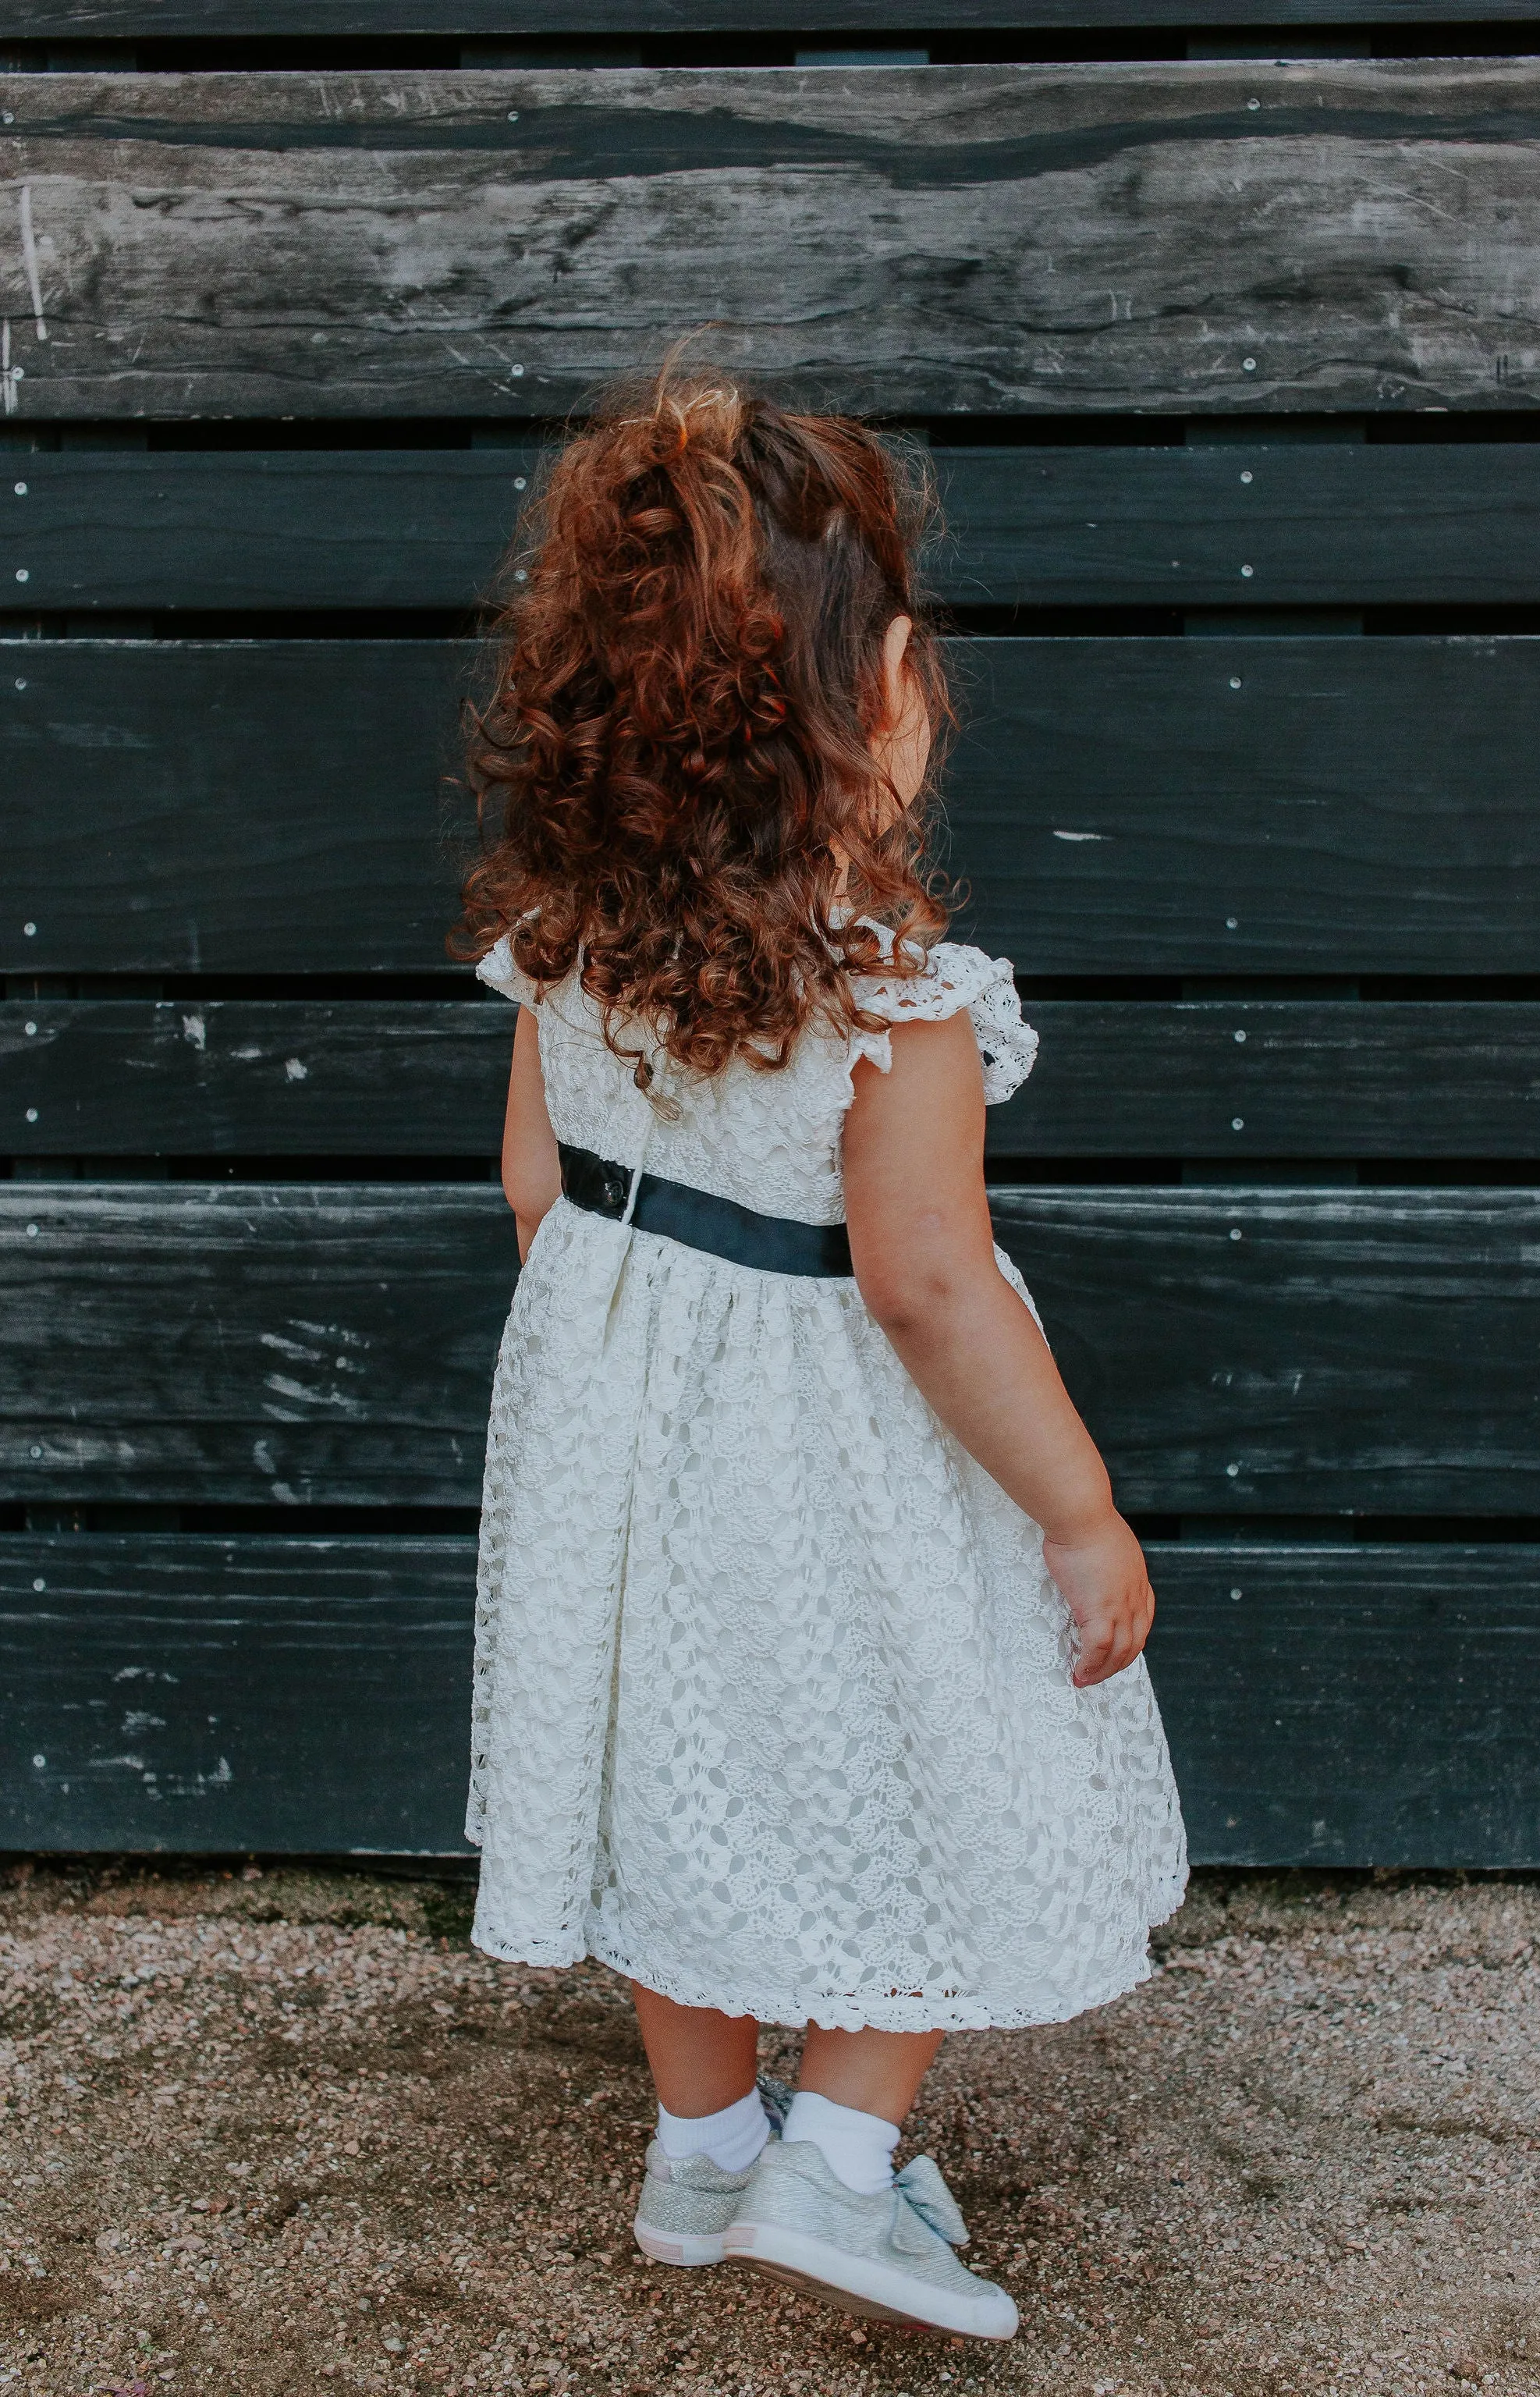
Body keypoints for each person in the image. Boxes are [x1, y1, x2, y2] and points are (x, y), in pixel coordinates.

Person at [453, 363, 1187, 2341]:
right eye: (914, 654)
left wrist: (630, 1384)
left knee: (664, 1775)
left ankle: (703, 2148)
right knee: (933, 1746)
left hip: (624, 1420)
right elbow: (927, 1280)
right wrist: (1079, 1506)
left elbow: (541, 1188)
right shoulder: (893, 994)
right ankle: (841, 2165)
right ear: (846, 709)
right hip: (847, 1449)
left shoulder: (564, 933)